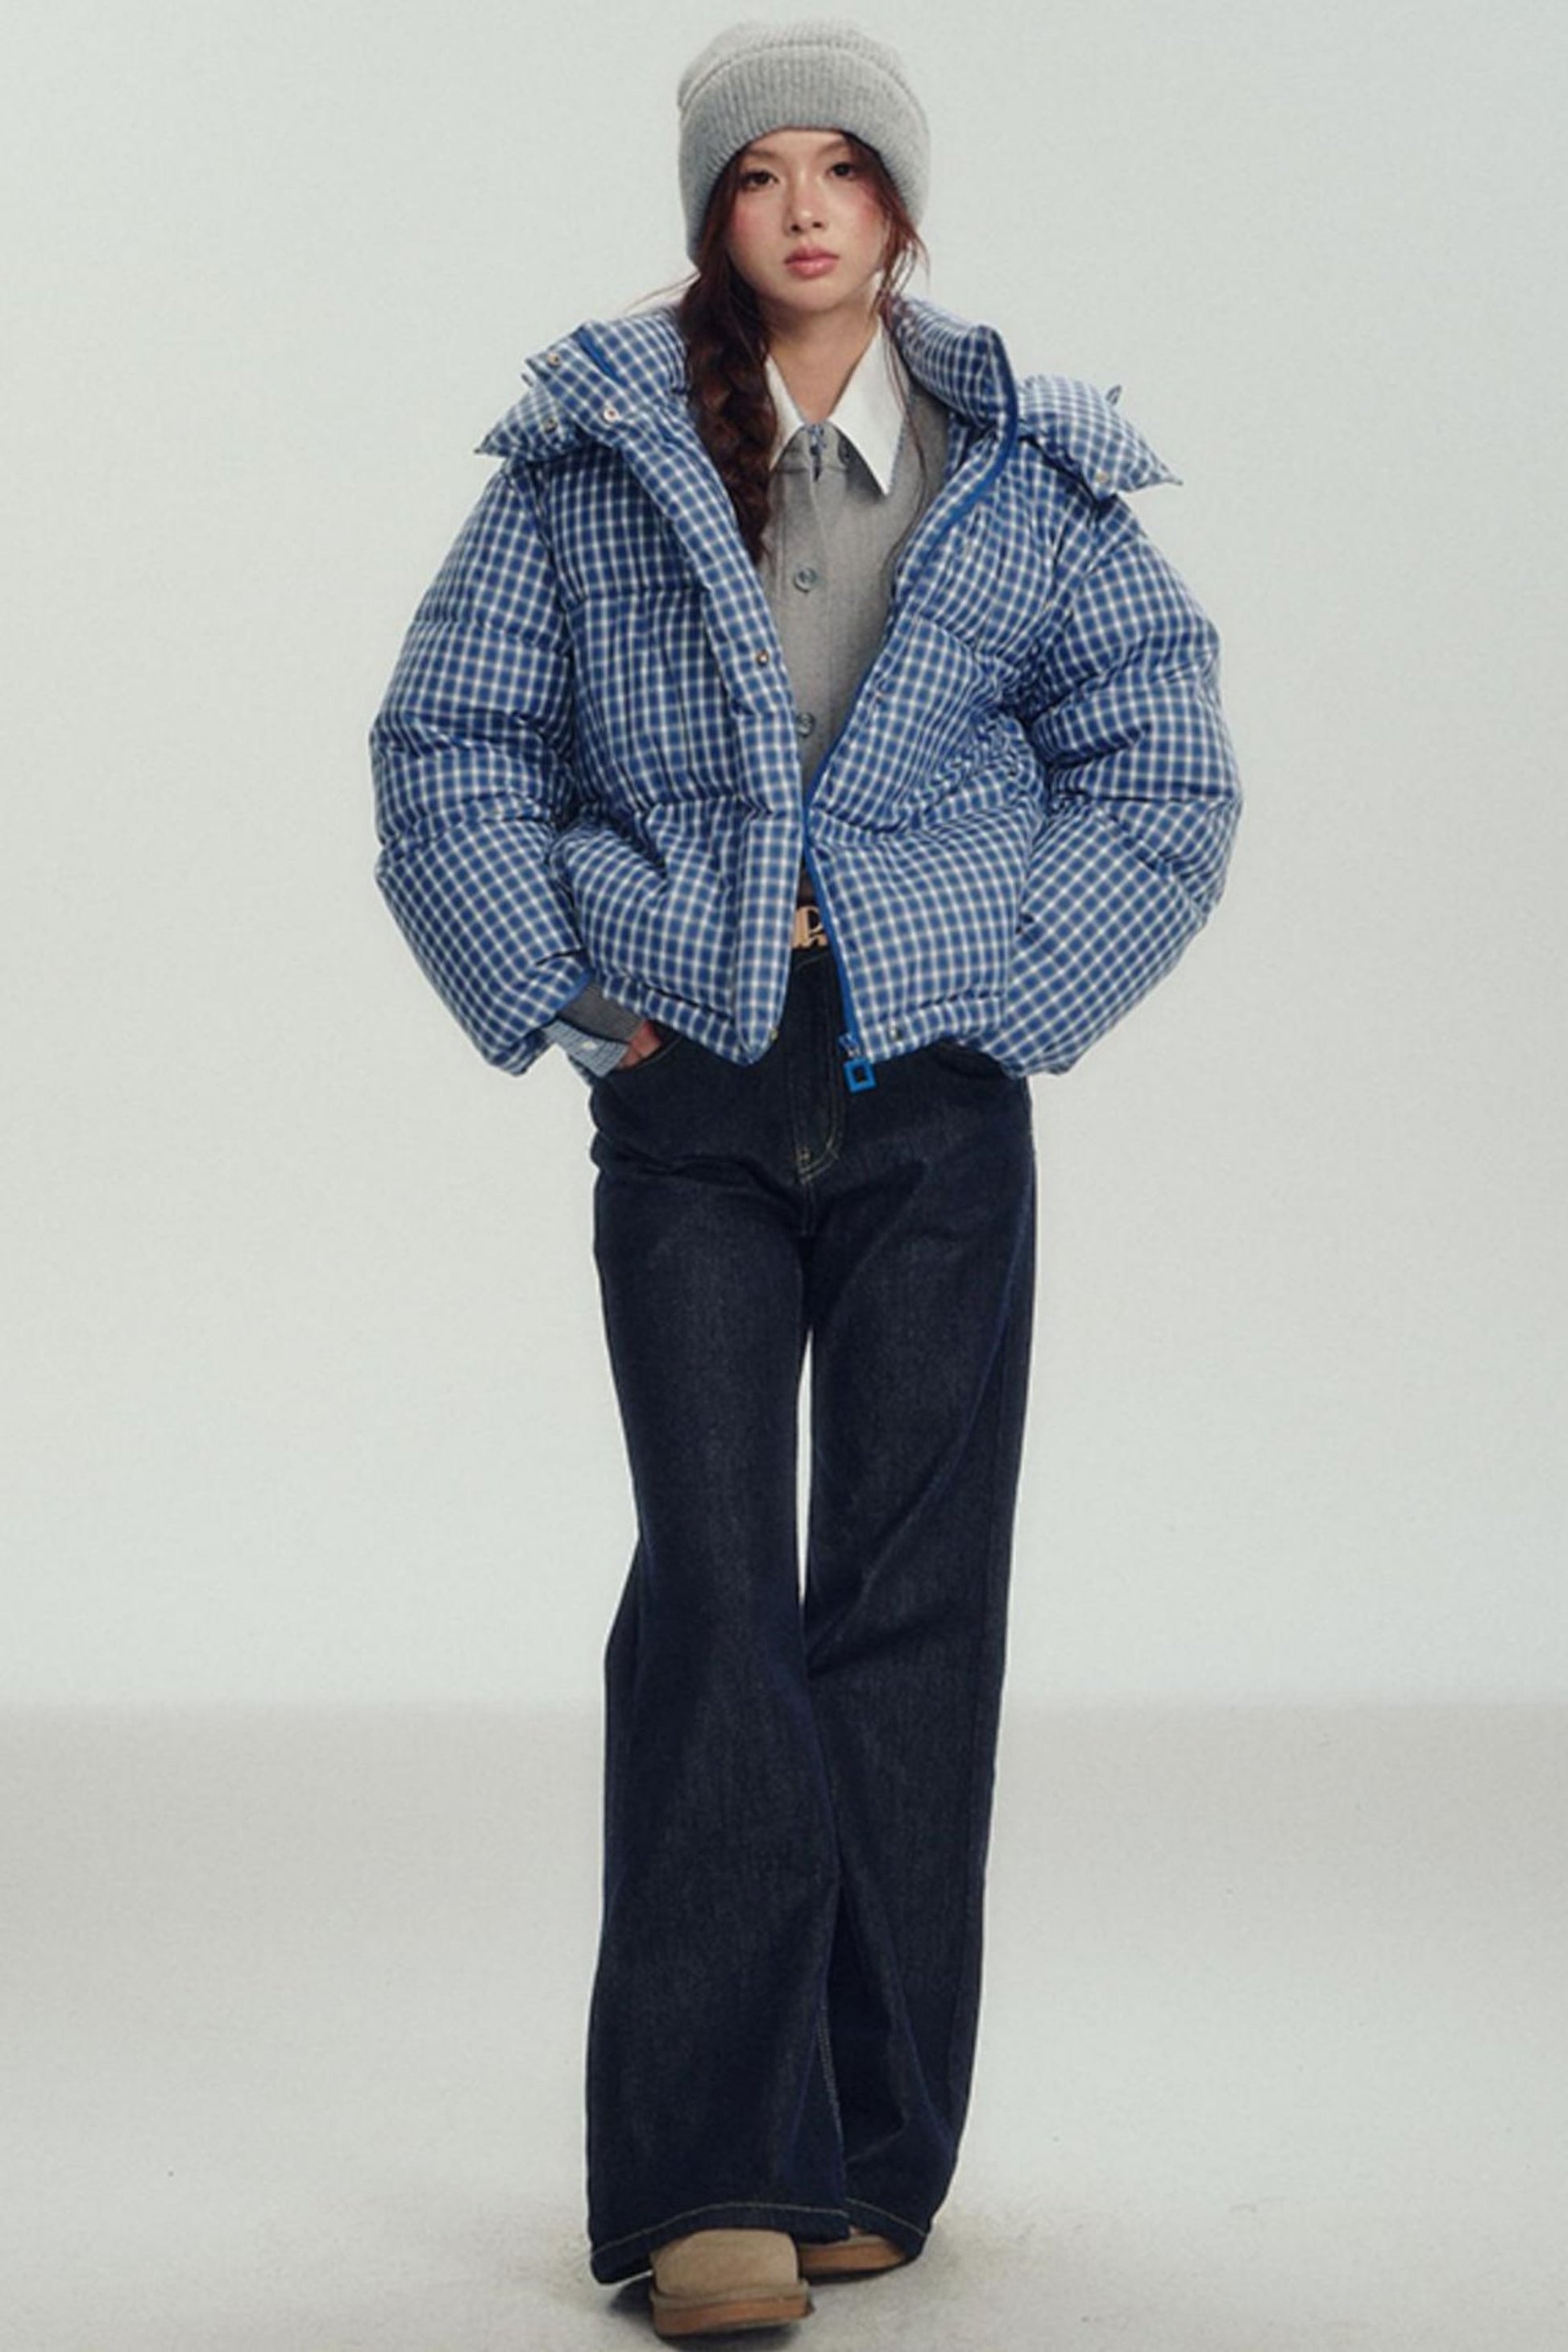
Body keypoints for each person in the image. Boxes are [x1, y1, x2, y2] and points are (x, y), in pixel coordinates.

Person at [370, 19, 1240, 2338]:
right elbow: (449, 745)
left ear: (899, 202)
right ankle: (704, 2178)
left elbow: (1160, 763)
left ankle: (862, 2147)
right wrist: (579, 997)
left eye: (843, 166)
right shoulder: (591, 462)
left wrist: (1008, 989)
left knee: (911, 1608)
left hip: (936, 1102)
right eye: (758, 173)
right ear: (709, 213)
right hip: (693, 1104)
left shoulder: (1027, 470)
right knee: (717, 1598)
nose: (804, 208)